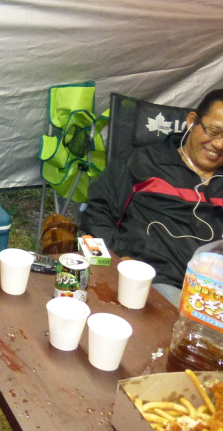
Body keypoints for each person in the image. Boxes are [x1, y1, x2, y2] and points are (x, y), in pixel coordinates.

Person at [81, 88, 223, 306]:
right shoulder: (141, 164)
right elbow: (98, 214)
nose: (219, 144)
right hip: (160, 284)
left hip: (215, 291)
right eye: (213, 131)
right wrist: (123, 258)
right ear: (192, 121)